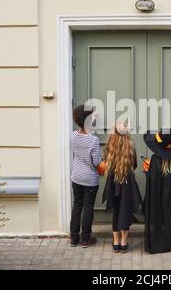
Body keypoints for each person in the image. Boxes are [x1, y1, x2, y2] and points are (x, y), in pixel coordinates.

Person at [102, 122, 142, 254]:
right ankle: (124, 243)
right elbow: (134, 164)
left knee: (116, 211)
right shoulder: (130, 147)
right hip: (127, 183)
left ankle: (116, 243)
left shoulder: (109, 147)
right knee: (125, 210)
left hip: (113, 183)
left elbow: (106, 162)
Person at [142, 129, 171, 254]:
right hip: (170, 197)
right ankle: (169, 240)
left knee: (158, 215)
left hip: (158, 197)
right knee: (169, 215)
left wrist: (147, 171)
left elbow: (152, 181)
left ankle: (157, 242)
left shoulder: (155, 160)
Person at [69, 105, 100, 248]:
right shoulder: (93, 140)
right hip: (89, 179)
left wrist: (91, 118)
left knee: (77, 205)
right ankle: (86, 239)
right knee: (88, 207)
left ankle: (74, 238)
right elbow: (96, 162)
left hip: (76, 176)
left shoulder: (73, 136)